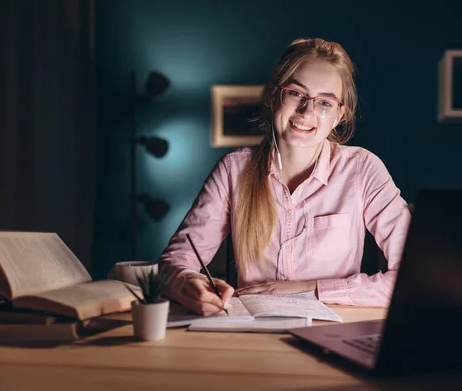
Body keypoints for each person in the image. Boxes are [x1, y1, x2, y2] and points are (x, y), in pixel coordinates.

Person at [159, 37, 411, 316]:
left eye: (324, 102)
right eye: (296, 93)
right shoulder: (234, 169)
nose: (307, 111)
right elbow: (173, 263)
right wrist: (187, 284)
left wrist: (310, 288)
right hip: (253, 335)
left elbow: (414, 278)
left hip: (331, 334)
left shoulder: (362, 170)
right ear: (272, 95)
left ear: (340, 114)